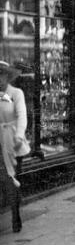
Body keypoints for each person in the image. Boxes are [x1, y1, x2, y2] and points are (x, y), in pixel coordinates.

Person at [0, 61, 30, 232]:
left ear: (7, 76)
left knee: (13, 182)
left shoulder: (16, 93)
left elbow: (22, 116)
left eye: (2, 75)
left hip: (13, 143)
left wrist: (19, 135)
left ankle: (15, 216)